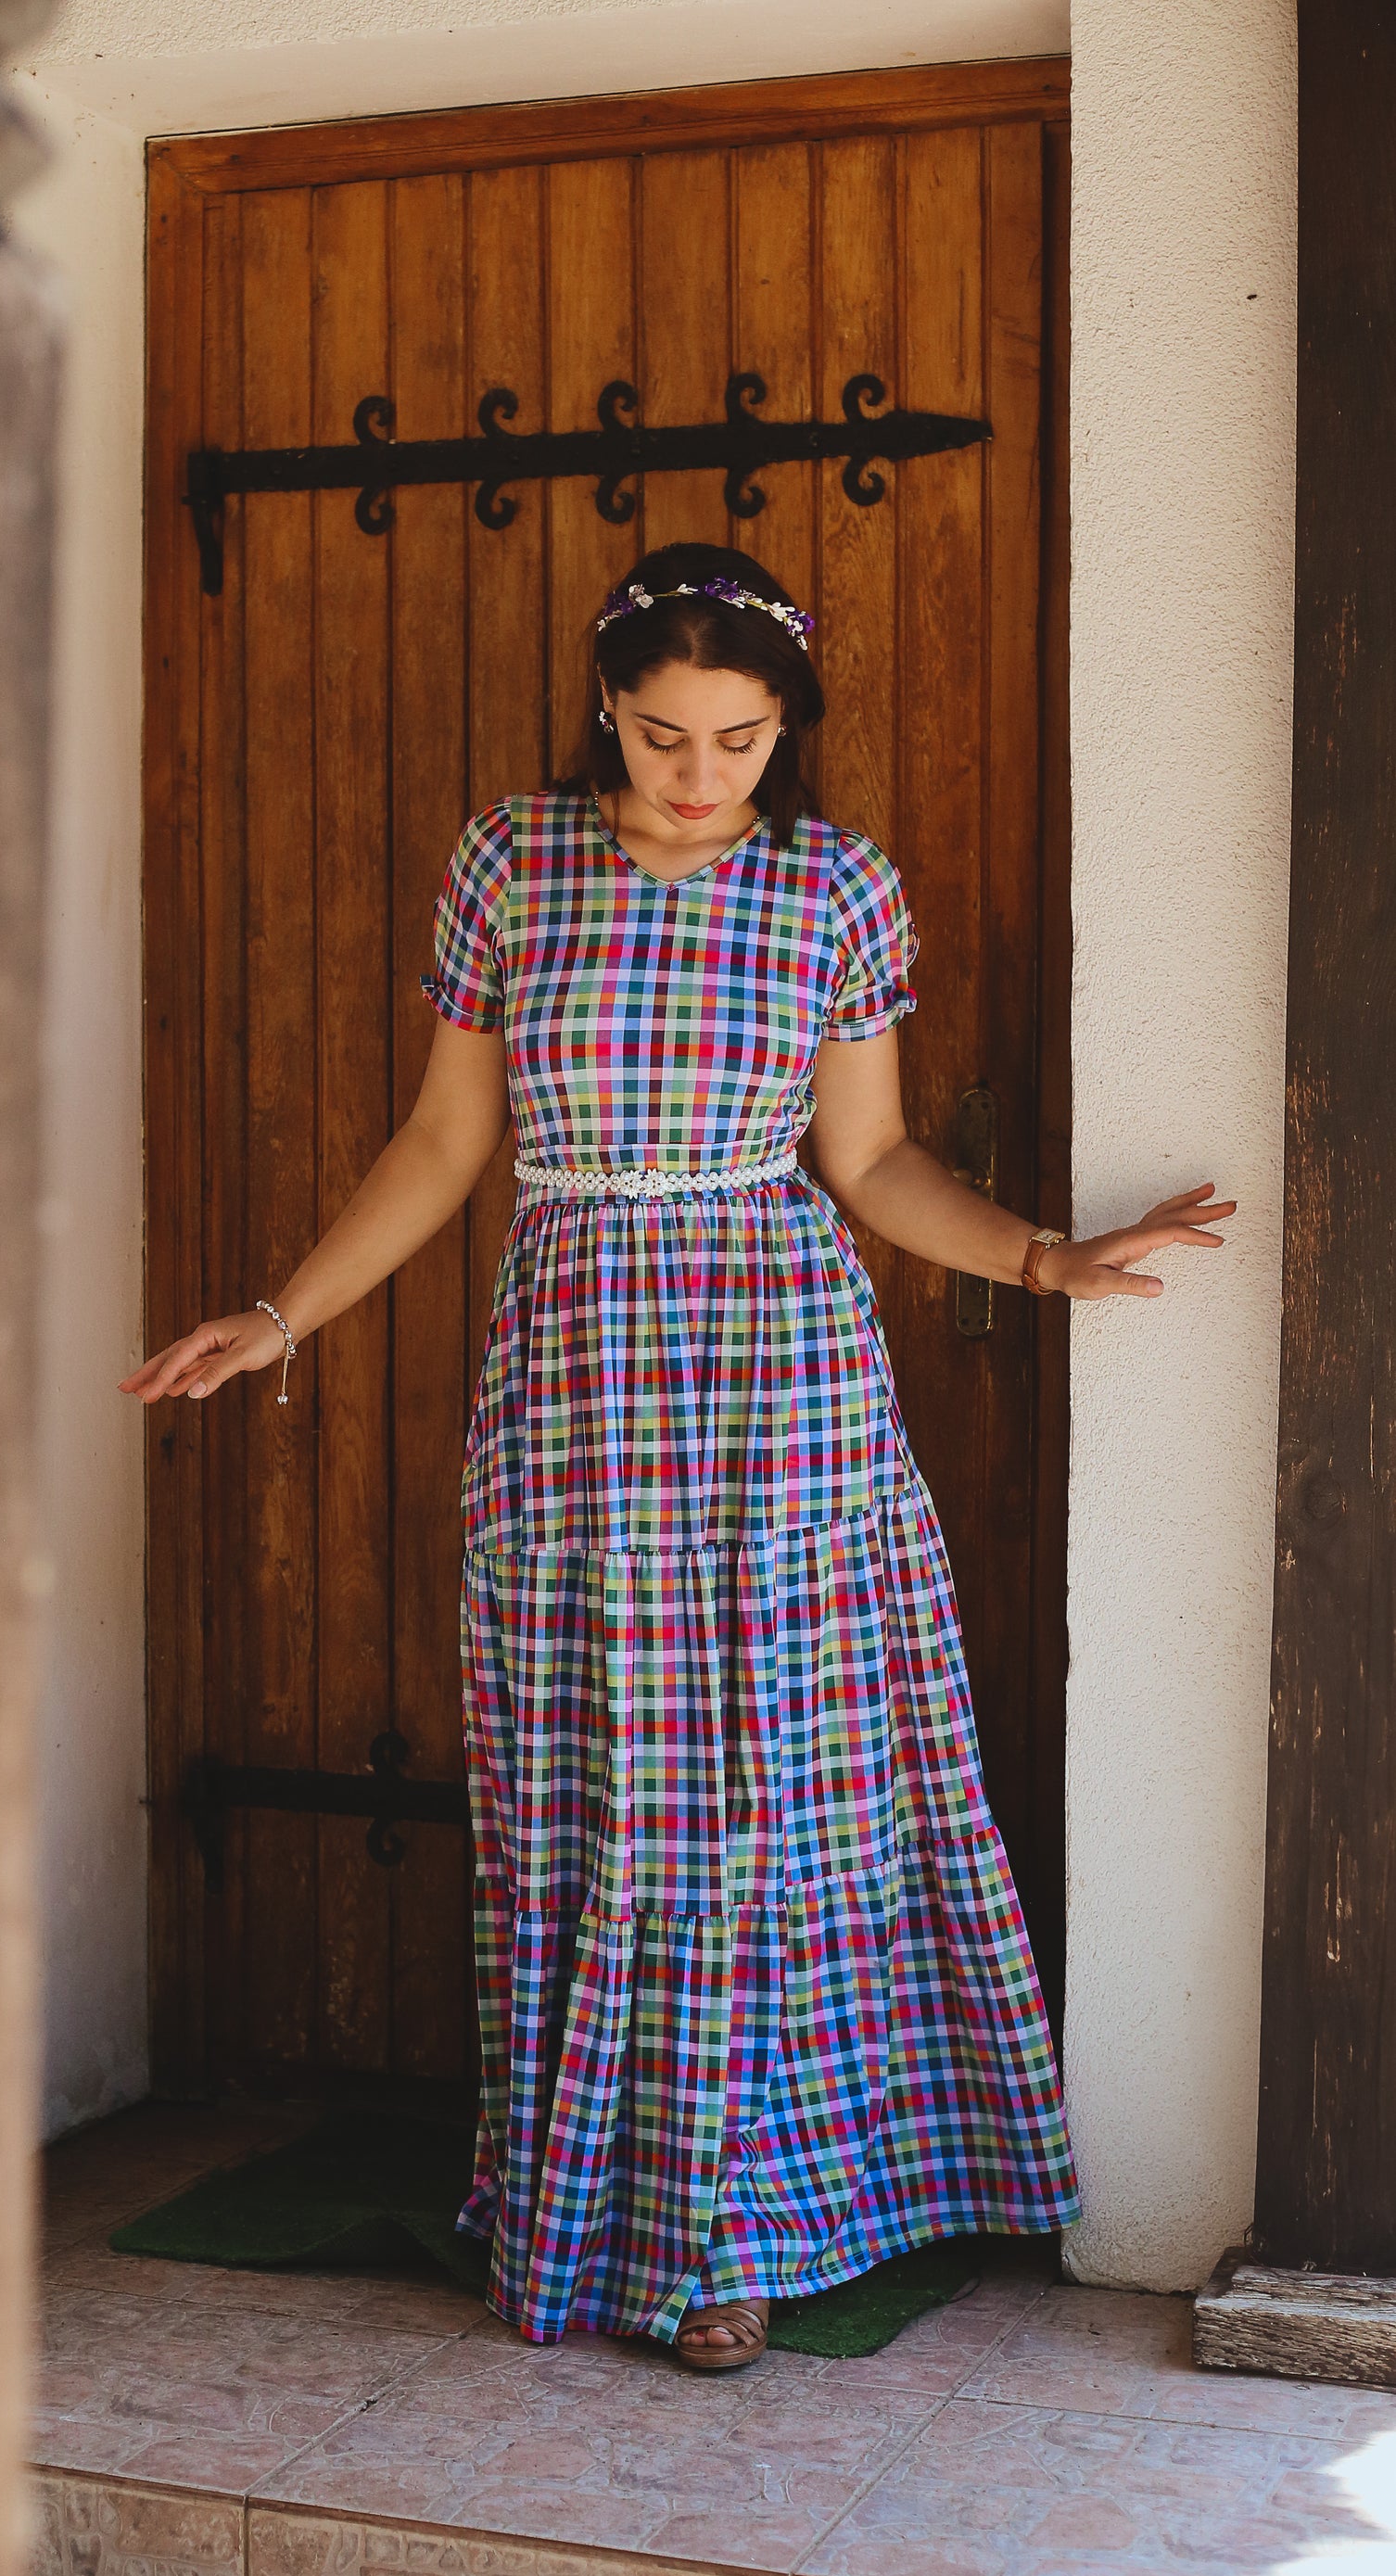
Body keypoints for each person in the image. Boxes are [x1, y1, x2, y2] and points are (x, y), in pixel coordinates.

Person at [121, 540, 1235, 2373]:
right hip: (569, 1376)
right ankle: (598, 2196)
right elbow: (436, 1142)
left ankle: (743, 2224)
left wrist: (1044, 1255)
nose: (697, 774)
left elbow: (868, 1164)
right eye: (659, 734)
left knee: (762, 1791)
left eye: (737, 737)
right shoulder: (507, 862)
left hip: (778, 1369)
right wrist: (280, 1313)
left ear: (786, 728)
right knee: (591, 1779)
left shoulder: (832, 887)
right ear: (603, 712)